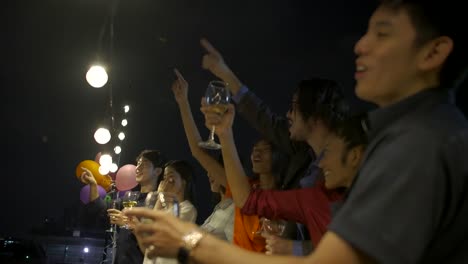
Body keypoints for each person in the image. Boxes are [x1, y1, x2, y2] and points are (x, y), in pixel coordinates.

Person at [125, 0, 468, 263]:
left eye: (382, 33)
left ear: (434, 52)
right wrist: (225, 130)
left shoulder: (417, 143)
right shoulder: (428, 132)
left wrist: (189, 242)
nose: (360, 45)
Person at [200, 39, 348, 255]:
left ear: (315, 115)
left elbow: (357, 242)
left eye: (294, 106)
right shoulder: (304, 156)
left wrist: (297, 247)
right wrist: (224, 74)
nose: (288, 114)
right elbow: (262, 117)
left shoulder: (350, 170)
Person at [203, 103, 364, 248]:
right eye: (254, 150)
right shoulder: (316, 199)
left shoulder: (377, 209)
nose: (320, 164)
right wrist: (224, 134)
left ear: (355, 156)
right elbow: (248, 200)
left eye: (328, 152)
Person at [171, 69, 235, 242]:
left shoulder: (238, 204)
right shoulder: (218, 210)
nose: (209, 172)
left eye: (214, 168)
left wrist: (184, 103)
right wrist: (182, 101)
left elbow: (198, 152)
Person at [80, 149, 166, 264]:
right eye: (138, 164)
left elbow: (156, 243)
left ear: (157, 171)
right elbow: (101, 208)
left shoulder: (161, 203)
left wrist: (126, 224)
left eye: (144, 164)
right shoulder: (130, 197)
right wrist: (93, 184)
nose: (138, 168)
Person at [141, 159, 198, 264]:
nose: (166, 181)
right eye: (164, 177)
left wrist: (159, 197)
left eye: (170, 176)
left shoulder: (187, 209)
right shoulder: (165, 208)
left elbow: (153, 230)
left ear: (184, 181)